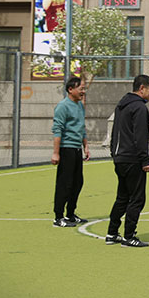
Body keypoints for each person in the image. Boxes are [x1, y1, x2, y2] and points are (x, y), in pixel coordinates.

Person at [106, 74, 149, 247]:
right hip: (133, 159)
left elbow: (115, 132)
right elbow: (140, 137)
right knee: (137, 198)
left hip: (120, 157)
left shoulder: (122, 105)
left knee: (122, 197)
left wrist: (114, 153)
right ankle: (129, 236)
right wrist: (145, 160)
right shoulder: (139, 108)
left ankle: (112, 233)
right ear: (142, 88)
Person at [51, 76, 90, 227]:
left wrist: (85, 146)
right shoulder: (63, 106)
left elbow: (82, 127)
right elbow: (57, 130)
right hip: (66, 148)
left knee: (77, 183)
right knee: (64, 183)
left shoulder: (79, 105)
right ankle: (58, 216)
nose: (83, 91)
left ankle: (71, 214)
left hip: (76, 149)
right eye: (81, 89)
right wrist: (56, 153)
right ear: (70, 89)